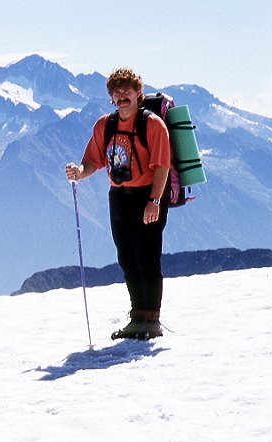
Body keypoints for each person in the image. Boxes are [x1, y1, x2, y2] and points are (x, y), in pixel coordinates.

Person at [65, 68, 170, 340]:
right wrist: (79, 172)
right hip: (119, 197)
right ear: (111, 96)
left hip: (147, 196)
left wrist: (154, 200)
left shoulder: (153, 125)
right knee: (127, 258)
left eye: (127, 91)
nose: (122, 96)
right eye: (116, 92)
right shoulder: (105, 126)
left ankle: (152, 321)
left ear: (138, 93)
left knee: (147, 258)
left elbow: (162, 166)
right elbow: (92, 161)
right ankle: (137, 318)